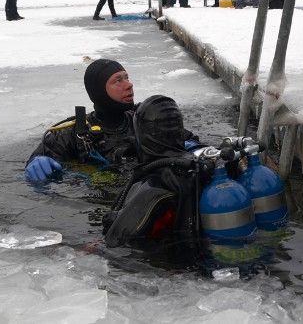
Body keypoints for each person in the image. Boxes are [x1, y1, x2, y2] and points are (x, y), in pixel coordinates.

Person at [25, 60, 198, 182]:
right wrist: (36, 162)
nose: (129, 85)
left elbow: (189, 140)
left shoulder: (144, 121)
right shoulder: (72, 134)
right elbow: (40, 156)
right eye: (118, 80)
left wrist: (192, 146)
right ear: (99, 91)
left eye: (127, 77)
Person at [103, 95, 209, 249]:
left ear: (140, 132)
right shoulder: (198, 165)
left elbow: (115, 242)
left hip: (169, 266)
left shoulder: (151, 187)